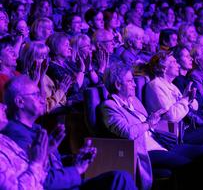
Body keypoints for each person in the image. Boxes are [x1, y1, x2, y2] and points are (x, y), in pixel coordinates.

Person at [1, 75, 136, 190]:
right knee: (120, 180)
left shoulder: (35, 128)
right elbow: (42, 180)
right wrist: (76, 170)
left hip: (66, 183)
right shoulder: (15, 136)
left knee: (119, 178)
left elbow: (51, 166)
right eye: (36, 95)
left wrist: (75, 160)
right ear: (20, 101)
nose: (42, 98)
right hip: (59, 186)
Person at [101, 62, 203, 190]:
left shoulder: (133, 100)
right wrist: (148, 123)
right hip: (146, 151)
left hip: (161, 143)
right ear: (118, 85)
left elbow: (149, 122)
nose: (135, 84)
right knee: (188, 165)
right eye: (130, 81)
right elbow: (128, 133)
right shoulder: (109, 107)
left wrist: (157, 117)